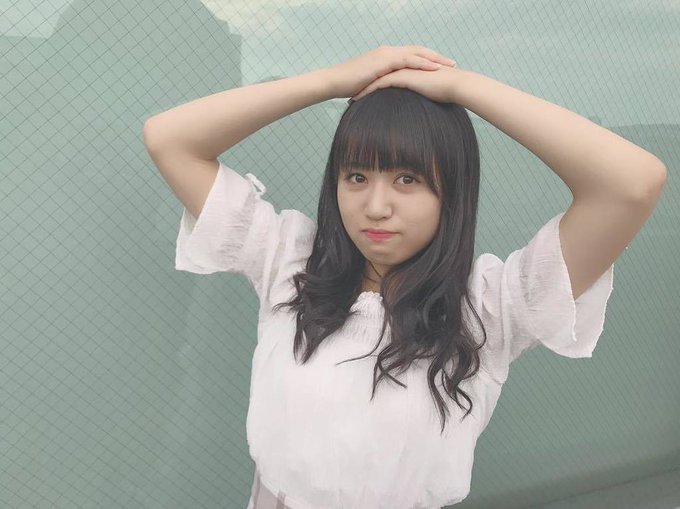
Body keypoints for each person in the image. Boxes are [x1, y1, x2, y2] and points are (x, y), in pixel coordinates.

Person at [143, 45, 666, 508]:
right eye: (356, 176)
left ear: (451, 190)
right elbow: (169, 139)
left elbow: (632, 183)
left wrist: (461, 87)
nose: (375, 206)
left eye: (407, 179)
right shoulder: (291, 264)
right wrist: (331, 81)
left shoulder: (489, 310)